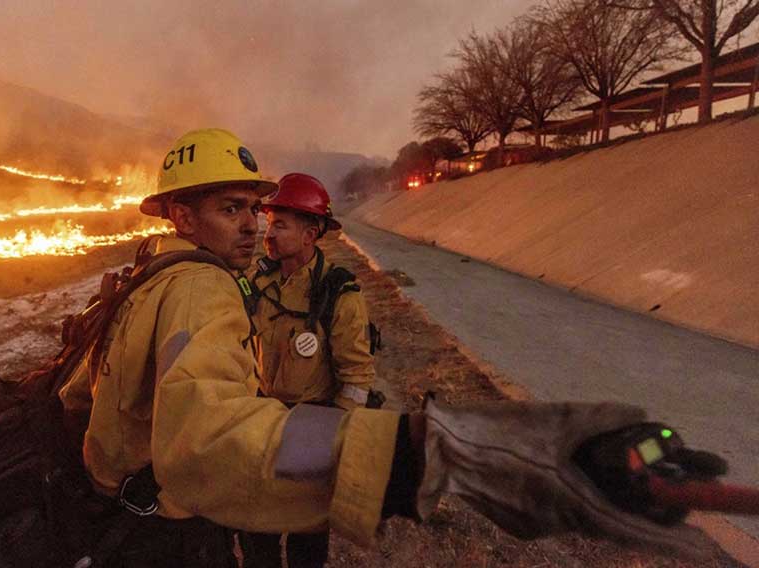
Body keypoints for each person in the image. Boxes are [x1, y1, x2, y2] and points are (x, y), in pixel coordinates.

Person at [57, 127, 713, 567]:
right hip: (179, 515)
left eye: (259, 210)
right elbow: (209, 436)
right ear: (181, 215)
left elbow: (83, 397)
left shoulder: (149, 279)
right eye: (234, 209)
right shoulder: (203, 290)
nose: (256, 226)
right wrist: (417, 453)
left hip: (168, 495)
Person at [241, 173, 377, 567]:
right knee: (258, 535)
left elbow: (356, 378)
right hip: (261, 424)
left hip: (312, 428)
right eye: (269, 223)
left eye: (280, 225)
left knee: (305, 543)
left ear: (310, 233)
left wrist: (337, 444)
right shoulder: (258, 280)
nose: (269, 233)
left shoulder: (340, 294)